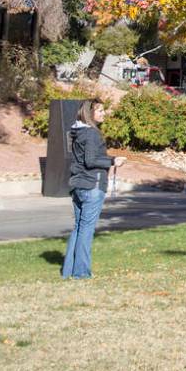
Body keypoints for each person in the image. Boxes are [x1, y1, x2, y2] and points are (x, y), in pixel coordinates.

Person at [62, 102, 125, 280]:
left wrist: (112, 159)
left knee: (79, 228)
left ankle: (68, 271)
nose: (104, 113)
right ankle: (81, 273)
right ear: (89, 113)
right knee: (86, 230)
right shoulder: (91, 133)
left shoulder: (78, 132)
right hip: (91, 186)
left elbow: (88, 157)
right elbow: (90, 161)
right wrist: (112, 162)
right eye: (100, 110)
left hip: (78, 185)